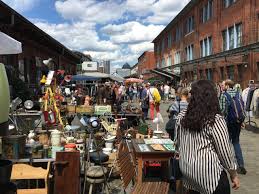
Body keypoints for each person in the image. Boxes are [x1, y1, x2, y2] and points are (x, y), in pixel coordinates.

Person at [175, 80, 240, 194]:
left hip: (188, 173)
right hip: (209, 177)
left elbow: (177, 143)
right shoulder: (215, 120)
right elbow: (225, 152)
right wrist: (233, 174)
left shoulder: (181, 116)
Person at [220, 79, 247, 175]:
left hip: (228, 123)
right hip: (238, 121)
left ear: (227, 86)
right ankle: (241, 165)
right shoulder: (238, 94)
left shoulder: (224, 95)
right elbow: (242, 107)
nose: (221, 87)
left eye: (223, 85)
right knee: (236, 142)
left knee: (225, 143)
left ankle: (227, 165)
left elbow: (222, 111)